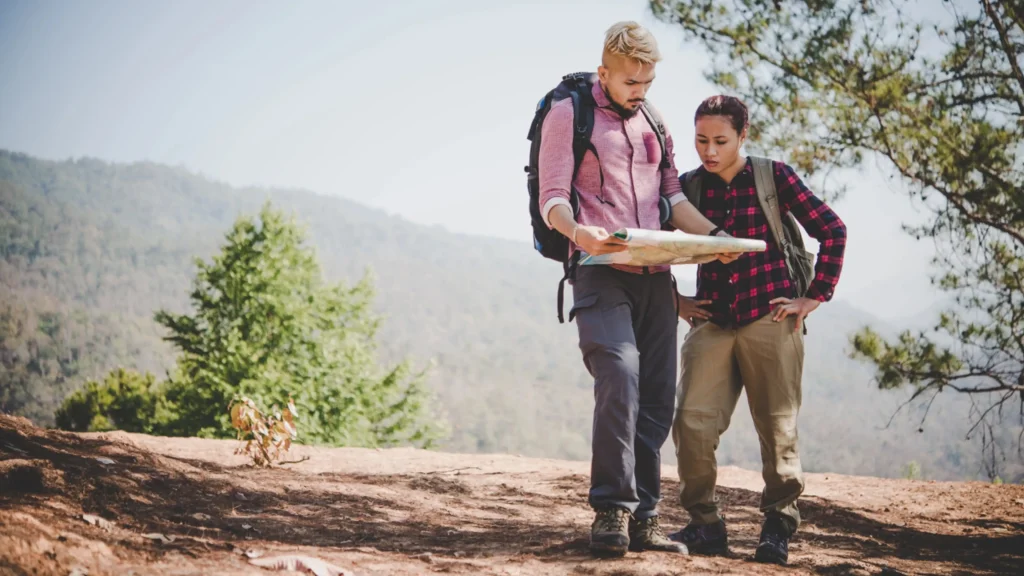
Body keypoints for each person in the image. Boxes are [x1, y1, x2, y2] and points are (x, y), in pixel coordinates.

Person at [538, 22, 738, 556]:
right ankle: (610, 511)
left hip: (658, 277)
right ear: (604, 72)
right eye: (631, 83)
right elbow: (552, 196)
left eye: (647, 84)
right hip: (599, 271)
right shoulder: (569, 114)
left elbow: (672, 198)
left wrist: (718, 240)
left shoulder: (654, 120)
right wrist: (579, 232)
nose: (640, 93)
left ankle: (646, 518)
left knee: (655, 398)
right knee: (620, 376)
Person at [668, 95, 848, 565]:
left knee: (777, 426)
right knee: (690, 422)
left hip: (770, 317)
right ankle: (705, 525)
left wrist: (814, 297)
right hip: (712, 320)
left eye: (720, 141)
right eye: (701, 140)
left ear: (743, 136)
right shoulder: (687, 188)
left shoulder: (774, 177)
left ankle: (777, 526)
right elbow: (653, 244)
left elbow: (833, 230)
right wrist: (676, 300)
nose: (709, 150)